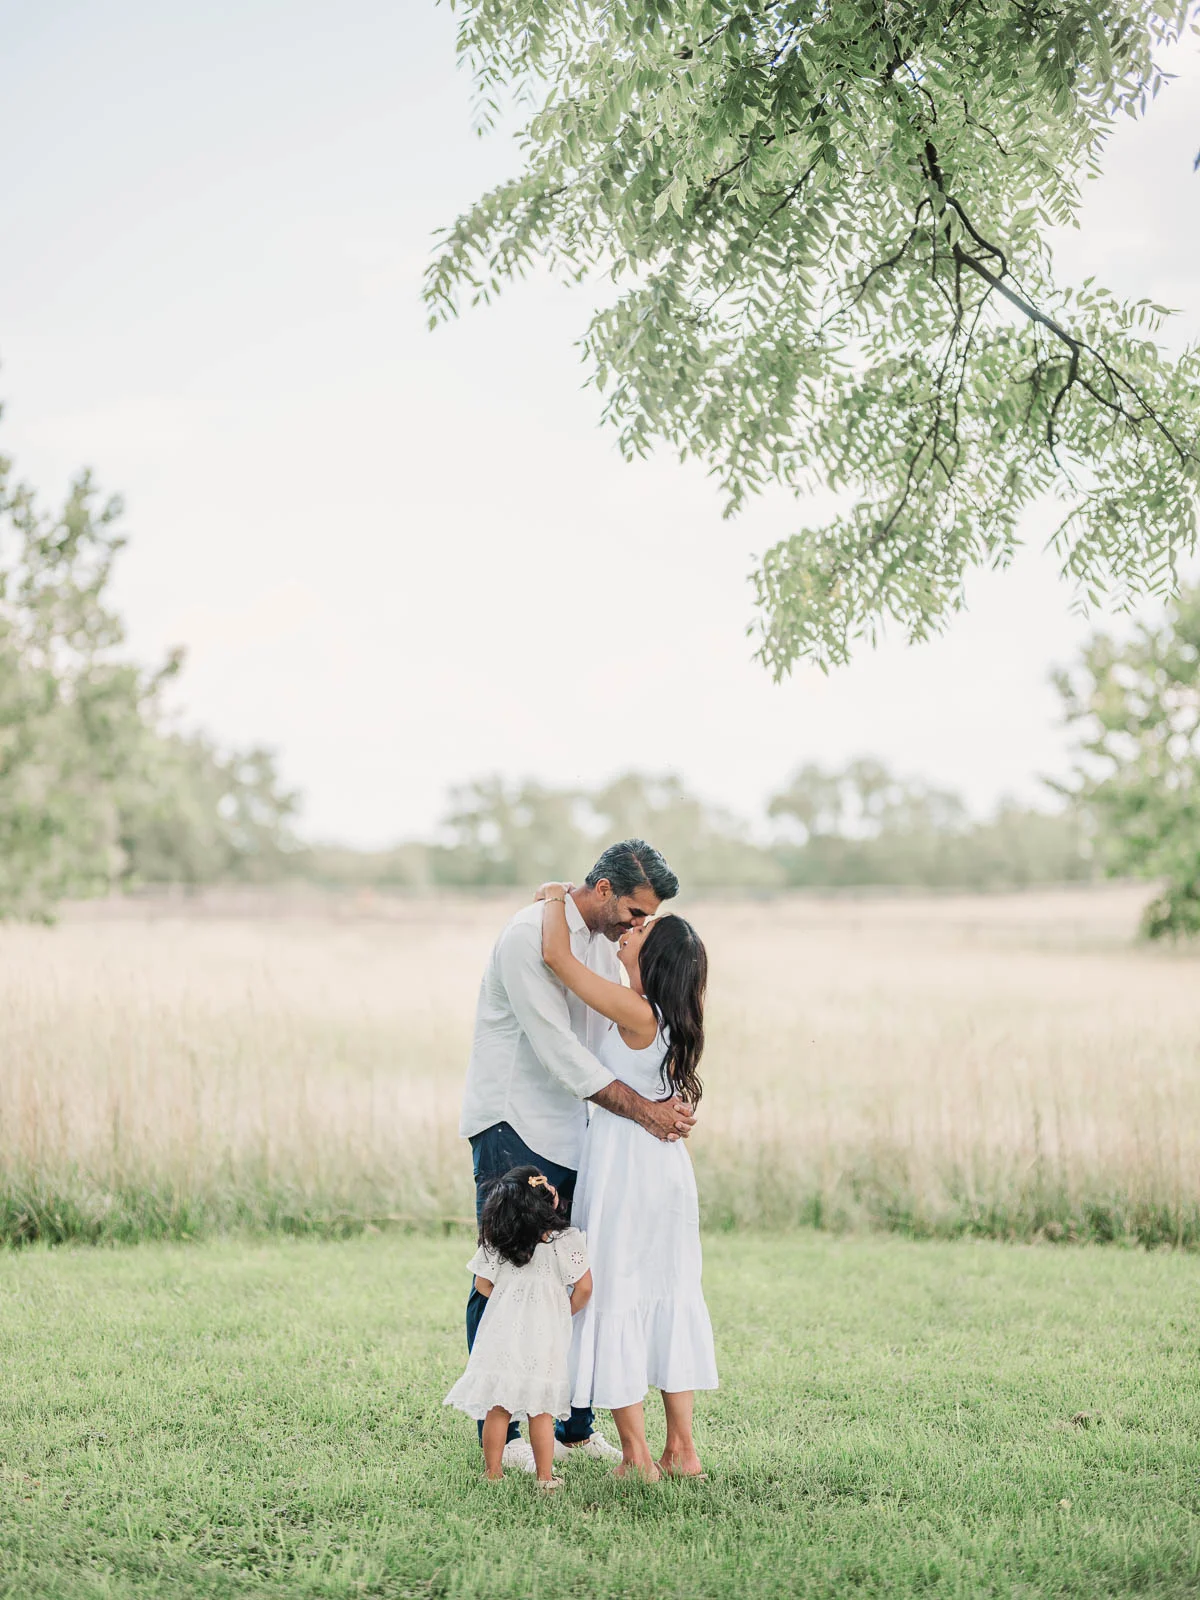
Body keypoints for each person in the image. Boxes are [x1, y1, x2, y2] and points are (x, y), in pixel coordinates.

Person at [459, 839, 696, 1473]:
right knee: (508, 1277)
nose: (637, 925)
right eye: (633, 911)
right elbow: (562, 1053)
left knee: (573, 1276)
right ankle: (503, 1433)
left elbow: (616, 1038)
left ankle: (570, 1425)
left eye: (646, 918)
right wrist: (647, 1111)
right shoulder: (525, 938)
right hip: (515, 1124)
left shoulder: (598, 940)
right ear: (602, 890)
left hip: (578, 1129)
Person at [539, 884, 717, 1481]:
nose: (632, 928)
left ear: (655, 960)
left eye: (643, 931)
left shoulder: (638, 1012)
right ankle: (682, 1451)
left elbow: (560, 962)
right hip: (663, 1173)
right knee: (666, 1296)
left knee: (616, 1293)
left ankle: (638, 1455)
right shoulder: (668, 1019)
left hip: (627, 1170)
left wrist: (553, 900)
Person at [444, 1167, 593, 1490]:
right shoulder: (565, 1241)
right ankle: (544, 1478)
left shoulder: (499, 1240)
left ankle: (493, 1473)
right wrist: (561, 1312)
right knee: (540, 1409)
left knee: (499, 1405)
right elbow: (584, 1288)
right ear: (545, 1203)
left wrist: (512, 1301)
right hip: (546, 1334)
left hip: (502, 1332)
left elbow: (482, 1284)